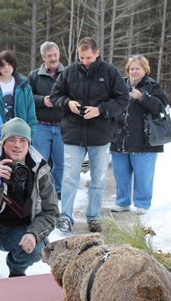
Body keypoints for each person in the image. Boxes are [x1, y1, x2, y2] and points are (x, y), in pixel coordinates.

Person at [50, 37, 130, 233]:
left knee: (99, 178)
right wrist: (67, 103)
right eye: (81, 57)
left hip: (100, 134)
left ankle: (93, 216)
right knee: (69, 177)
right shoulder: (69, 72)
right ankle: (66, 217)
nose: (84, 61)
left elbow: (123, 99)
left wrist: (101, 110)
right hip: (73, 133)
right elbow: (55, 96)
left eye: (88, 57)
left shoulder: (109, 72)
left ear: (97, 53)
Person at [0, 118, 59, 280]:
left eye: (23, 140)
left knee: (37, 247)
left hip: (20, 231)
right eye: (11, 139)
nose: (17, 145)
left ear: (29, 144)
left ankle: (16, 269)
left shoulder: (40, 170)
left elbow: (51, 212)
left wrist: (34, 234)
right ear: (3, 143)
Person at [110, 55, 168, 215]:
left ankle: (142, 204)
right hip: (119, 138)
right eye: (132, 68)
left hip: (145, 140)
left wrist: (142, 97)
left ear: (145, 70)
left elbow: (161, 108)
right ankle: (122, 202)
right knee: (120, 174)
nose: (134, 71)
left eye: (138, 68)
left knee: (143, 176)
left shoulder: (152, 86)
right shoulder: (119, 85)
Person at [28, 41, 65, 199]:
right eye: (49, 55)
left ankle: (58, 191)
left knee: (61, 163)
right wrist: (43, 100)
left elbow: (75, 95)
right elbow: (27, 98)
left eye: (55, 54)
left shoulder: (68, 73)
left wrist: (61, 100)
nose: (53, 58)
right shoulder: (34, 75)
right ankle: (40, 190)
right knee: (40, 162)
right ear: (43, 57)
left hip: (63, 126)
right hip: (41, 126)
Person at [0, 50, 37, 138]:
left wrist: (30, 134)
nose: (6, 68)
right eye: (2, 65)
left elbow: (31, 113)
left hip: (21, 134)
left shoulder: (24, 86)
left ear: (14, 65)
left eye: (9, 64)